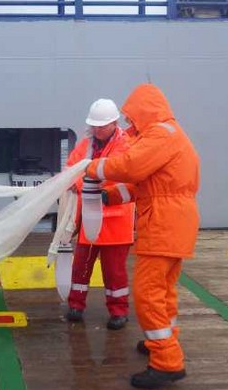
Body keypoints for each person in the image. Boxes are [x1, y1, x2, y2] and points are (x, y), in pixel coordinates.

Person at [84, 84, 199, 388]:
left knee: (147, 293)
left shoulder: (161, 134)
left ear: (145, 112)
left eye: (132, 117)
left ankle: (167, 362)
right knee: (163, 290)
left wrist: (93, 167)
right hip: (175, 221)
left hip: (164, 223)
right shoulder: (169, 135)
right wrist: (112, 196)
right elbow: (146, 185)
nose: (129, 124)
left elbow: (132, 167)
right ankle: (161, 341)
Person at [64, 98, 136, 330]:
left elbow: (119, 173)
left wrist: (86, 181)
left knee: (114, 271)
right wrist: (78, 182)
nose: (96, 129)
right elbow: (71, 168)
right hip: (90, 217)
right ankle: (75, 305)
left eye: (101, 125)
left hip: (116, 220)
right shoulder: (86, 144)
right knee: (80, 265)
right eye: (93, 125)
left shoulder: (127, 144)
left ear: (114, 123)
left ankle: (119, 310)